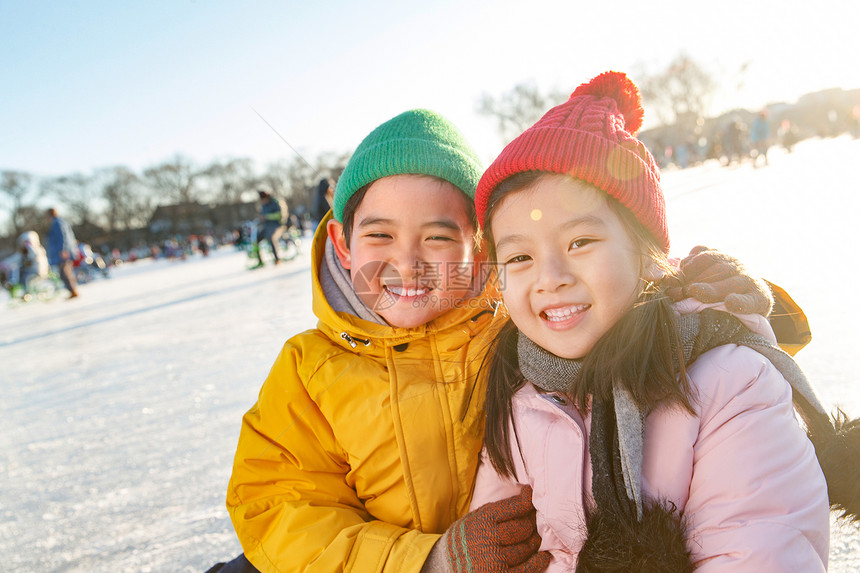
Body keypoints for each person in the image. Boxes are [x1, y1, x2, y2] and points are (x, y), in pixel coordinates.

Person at [211, 109, 791, 573]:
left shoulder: (515, 326)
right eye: (379, 234)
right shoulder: (310, 368)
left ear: (479, 247)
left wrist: (698, 290)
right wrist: (427, 561)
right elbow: (278, 508)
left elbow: (616, 292)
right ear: (342, 242)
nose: (407, 263)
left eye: (439, 237)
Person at [468, 71, 858, 571]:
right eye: (519, 257)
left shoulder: (727, 384)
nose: (550, 278)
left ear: (648, 257)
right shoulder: (519, 395)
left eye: (580, 242)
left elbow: (758, 549)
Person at [45, 207, 80, 299]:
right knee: (66, 271)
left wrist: (63, 250)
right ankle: (73, 290)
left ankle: (73, 290)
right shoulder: (61, 222)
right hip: (64, 251)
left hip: (62, 252)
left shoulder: (57, 223)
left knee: (64, 272)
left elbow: (62, 237)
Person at [252, 189, 286, 268]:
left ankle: (277, 259)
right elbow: (262, 215)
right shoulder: (263, 206)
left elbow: (280, 215)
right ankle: (260, 260)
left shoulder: (276, 202)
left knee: (271, 237)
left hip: (277, 225)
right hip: (267, 226)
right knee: (256, 238)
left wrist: (267, 217)